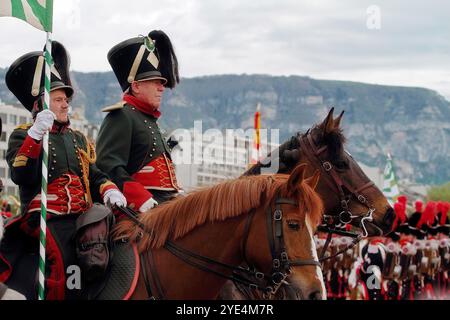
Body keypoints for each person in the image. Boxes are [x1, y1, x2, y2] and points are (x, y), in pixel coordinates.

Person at [0, 41, 126, 299]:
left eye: (66, 98)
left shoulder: (79, 138)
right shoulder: (22, 135)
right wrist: (35, 136)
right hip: (46, 218)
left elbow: (95, 176)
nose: (66, 104)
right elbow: (20, 175)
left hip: (82, 215)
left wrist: (110, 189)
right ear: (41, 104)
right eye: (58, 99)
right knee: (64, 251)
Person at [96, 30, 182, 213]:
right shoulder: (122, 115)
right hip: (136, 210)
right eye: (156, 82)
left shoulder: (150, 120)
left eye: (162, 82)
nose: (162, 88)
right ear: (136, 86)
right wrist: (141, 199)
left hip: (165, 206)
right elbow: (108, 166)